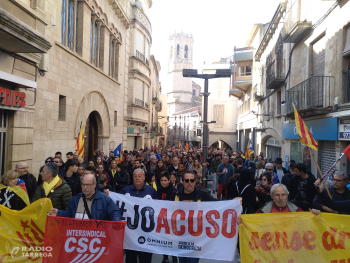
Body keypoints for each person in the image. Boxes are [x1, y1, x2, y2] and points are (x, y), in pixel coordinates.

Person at [168, 171, 215, 263]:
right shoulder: (174, 194)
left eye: (192, 180)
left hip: (196, 239)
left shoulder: (202, 195)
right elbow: (163, 210)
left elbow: (218, 205)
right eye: (187, 180)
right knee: (182, 261)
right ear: (182, 181)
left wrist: (233, 202)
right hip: (179, 238)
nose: (189, 183)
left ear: (195, 181)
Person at [120, 169, 158, 263]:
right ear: (132, 178)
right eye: (135, 176)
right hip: (130, 235)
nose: (137, 178)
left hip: (146, 234)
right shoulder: (125, 190)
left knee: (145, 259)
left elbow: (158, 208)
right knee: (130, 259)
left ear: (144, 177)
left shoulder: (152, 191)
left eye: (139, 176)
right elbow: (117, 204)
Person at [48, 174, 121, 220]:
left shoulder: (104, 199)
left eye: (88, 185)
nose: (85, 187)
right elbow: (71, 214)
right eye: (83, 184)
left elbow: (115, 212)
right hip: (77, 238)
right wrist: (59, 213)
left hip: (96, 238)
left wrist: (116, 221)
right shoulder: (75, 199)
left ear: (95, 184)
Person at [237, 184, 320, 222]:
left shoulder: (297, 210)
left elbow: (307, 225)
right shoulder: (262, 212)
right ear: (272, 196)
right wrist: (242, 222)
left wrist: (315, 216)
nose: (281, 198)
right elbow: (252, 225)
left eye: (283, 195)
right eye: (277, 195)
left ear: (287, 195)